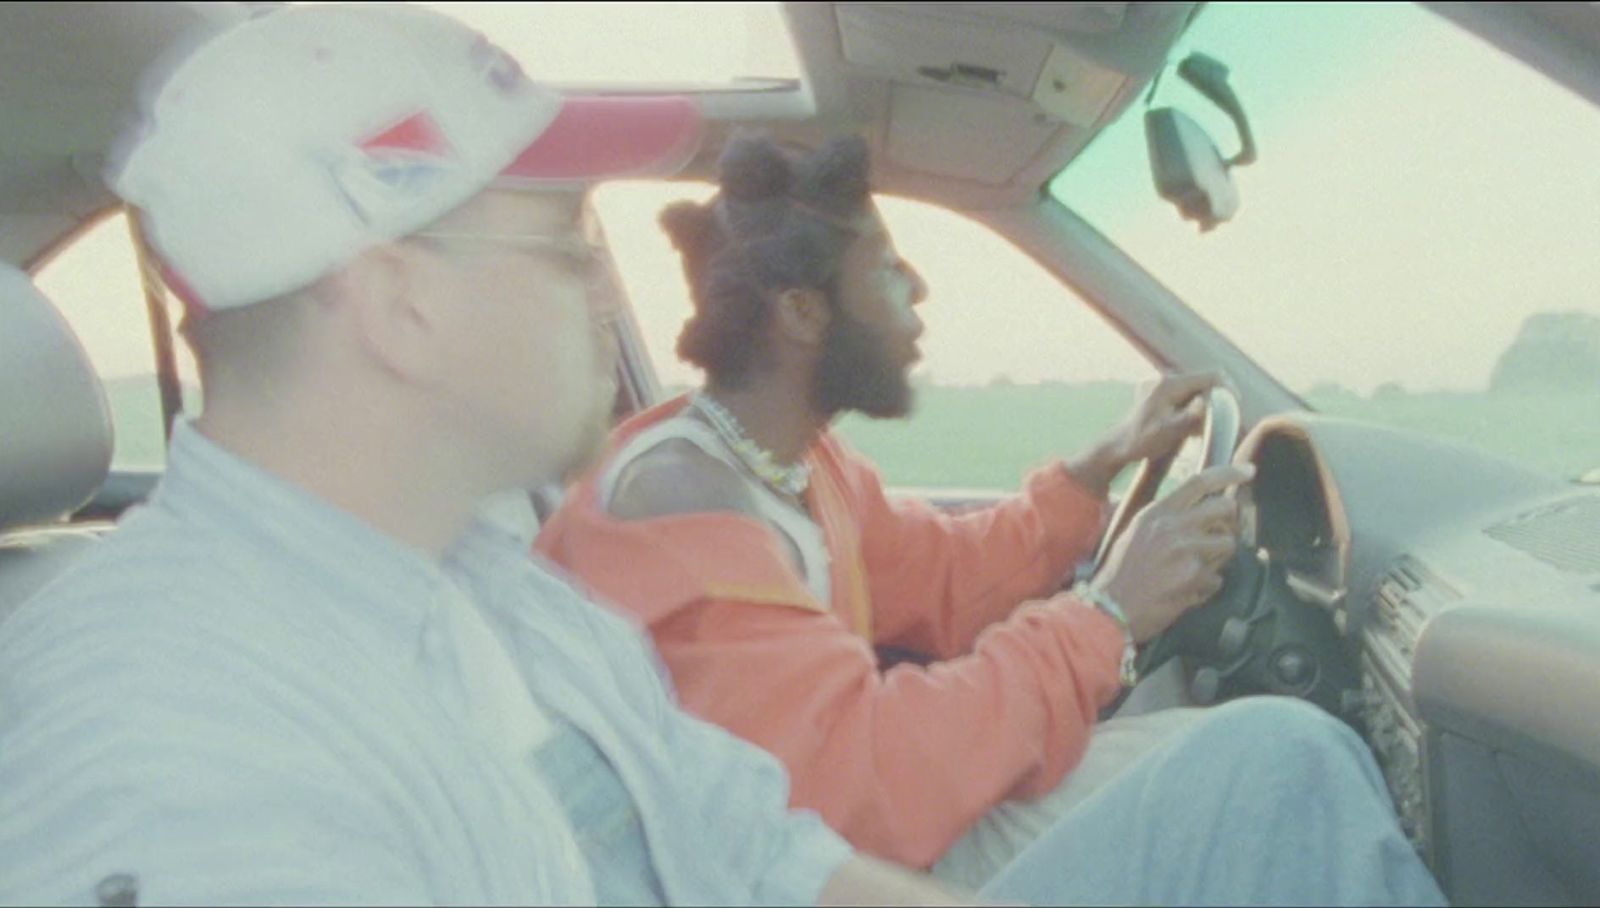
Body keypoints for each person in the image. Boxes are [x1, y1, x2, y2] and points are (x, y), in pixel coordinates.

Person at [0, 5, 965, 905]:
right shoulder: (181, 752)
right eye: (564, 242)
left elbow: (755, 851)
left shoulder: (505, 596)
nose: (600, 287)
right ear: (400, 305)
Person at [535, 134, 1447, 901]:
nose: (918, 290)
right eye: (887, 269)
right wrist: (1113, 614)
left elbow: (947, 576)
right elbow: (865, 782)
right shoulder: (682, 504)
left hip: (864, 842)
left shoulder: (794, 463)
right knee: (1286, 765)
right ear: (805, 313)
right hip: (824, 868)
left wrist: (1097, 471)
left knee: (1282, 753)